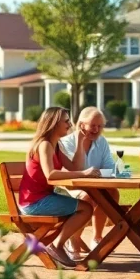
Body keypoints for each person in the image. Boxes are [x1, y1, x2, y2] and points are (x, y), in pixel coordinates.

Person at [17, 106, 94, 268]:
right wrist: (85, 174)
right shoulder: (44, 145)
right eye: (66, 121)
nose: (69, 125)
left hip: (42, 198)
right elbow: (50, 175)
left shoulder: (56, 145)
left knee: (86, 206)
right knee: (86, 209)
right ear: (54, 123)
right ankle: (56, 246)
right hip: (34, 203)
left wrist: (80, 141)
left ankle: (57, 245)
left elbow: (75, 167)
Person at [57, 106, 119, 251]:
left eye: (100, 126)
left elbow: (110, 167)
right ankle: (74, 239)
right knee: (88, 197)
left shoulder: (101, 142)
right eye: (93, 125)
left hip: (94, 187)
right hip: (68, 188)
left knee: (112, 193)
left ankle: (97, 237)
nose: (96, 129)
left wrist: (95, 173)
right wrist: (91, 173)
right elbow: (70, 171)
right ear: (81, 125)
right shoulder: (66, 143)